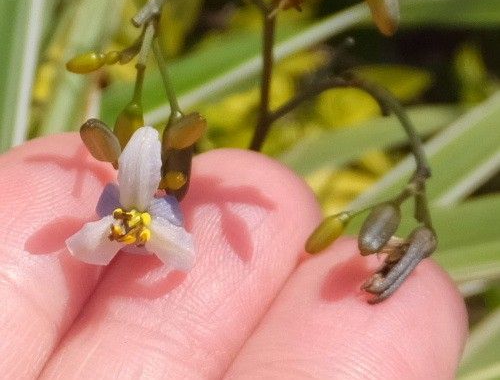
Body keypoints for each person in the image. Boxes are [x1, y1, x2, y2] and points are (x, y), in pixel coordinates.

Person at [0, 133, 467, 378]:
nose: (126, 229)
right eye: (127, 226)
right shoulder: (133, 215)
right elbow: (128, 245)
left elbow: (177, 253)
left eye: (130, 226)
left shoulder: (146, 216)